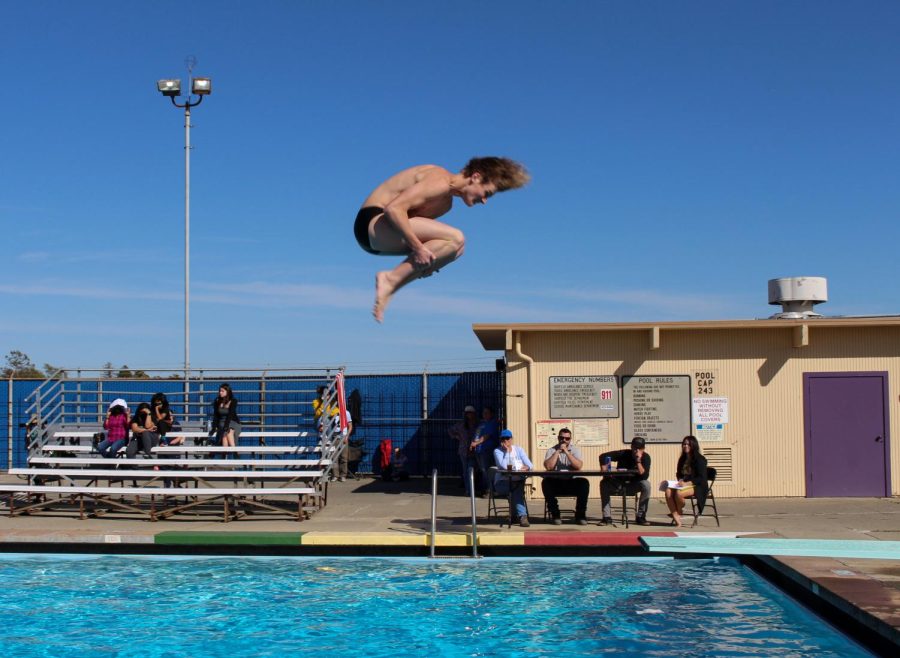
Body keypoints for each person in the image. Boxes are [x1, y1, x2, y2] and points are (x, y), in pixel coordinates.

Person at [355, 157, 530, 322]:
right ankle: (390, 279)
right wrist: (418, 248)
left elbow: (413, 228)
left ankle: (392, 284)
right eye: (488, 193)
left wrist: (435, 256)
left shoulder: (445, 205)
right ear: (476, 177)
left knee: (457, 249)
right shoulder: (439, 179)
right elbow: (394, 209)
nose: (484, 201)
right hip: (370, 223)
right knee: (455, 238)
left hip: (379, 240)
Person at [599, 437, 652, 526]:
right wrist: (604, 468)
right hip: (619, 484)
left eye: (639, 448)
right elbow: (603, 456)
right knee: (604, 483)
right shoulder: (623, 453)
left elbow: (644, 476)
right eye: (635, 448)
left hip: (633, 485)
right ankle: (606, 517)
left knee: (646, 485)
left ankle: (641, 517)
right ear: (631, 447)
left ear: (643, 449)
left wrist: (638, 461)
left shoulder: (646, 457)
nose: (636, 450)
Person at [542, 427, 590, 525]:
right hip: (557, 482)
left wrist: (567, 452)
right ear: (558, 438)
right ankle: (555, 515)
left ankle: (580, 515)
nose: (564, 440)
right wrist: (558, 451)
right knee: (545, 482)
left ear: (570, 439)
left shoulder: (575, 450)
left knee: (584, 482)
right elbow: (548, 467)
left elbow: (578, 466)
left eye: (567, 438)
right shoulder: (551, 450)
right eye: (561, 438)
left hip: (571, 481)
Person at [663, 435, 709, 527]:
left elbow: (701, 478)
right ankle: (677, 518)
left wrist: (686, 483)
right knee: (668, 490)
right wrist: (680, 480)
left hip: (697, 485)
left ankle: (678, 511)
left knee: (679, 493)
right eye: (684, 444)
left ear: (693, 445)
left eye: (688, 444)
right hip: (684, 484)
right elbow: (679, 473)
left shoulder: (700, 459)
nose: (685, 446)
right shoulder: (682, 459)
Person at [492, 429, 534, 527]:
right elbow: (502, 466)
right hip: (502, 483)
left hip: (517, 480)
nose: (505, 441)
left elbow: (530, 465)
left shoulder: (519, 450)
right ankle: (522, 516)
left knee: (516, 487)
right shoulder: (497, 451)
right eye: (503, 439)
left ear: (511, 439)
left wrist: (526, 467)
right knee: (516, 489)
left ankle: (515, 515)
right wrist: (506, 452)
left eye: (507, 438)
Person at [448, 405, 479, 494]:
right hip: (463, 451)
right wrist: (456, 436)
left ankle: (471, 488)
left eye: (471, 413)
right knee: (466, 471)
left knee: (471, 470)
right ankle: (468, 490)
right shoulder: (461, 424)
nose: (469, 415)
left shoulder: (478, 424)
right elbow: (450, 430)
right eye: (467, 413)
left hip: (474, 450)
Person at [470, 406, 499, 497]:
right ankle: (485, 489)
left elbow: (486, 436)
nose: (485, 414)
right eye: (483, 413)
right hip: (479, 450)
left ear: (491, 414)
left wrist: (476, 443)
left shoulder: (492, 423)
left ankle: (490, 490)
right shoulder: (482, 424)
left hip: (487, 450)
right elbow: (477, 435)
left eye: (487, 413)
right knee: (482, 470)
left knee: (486, 470)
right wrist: (473, 444)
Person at [212, 384, 241, 449]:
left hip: (232, 422)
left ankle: (232, 452)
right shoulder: (217, 401)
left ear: (227, 391)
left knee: (227, 432)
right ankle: (234, 453)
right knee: (225, 433)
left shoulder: (233, 401)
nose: (220, 392)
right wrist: (214, 427)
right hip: (222, 422)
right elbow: (216, 415)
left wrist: (226, 425)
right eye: (220, 391)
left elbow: (230, 414)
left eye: (222, 391)